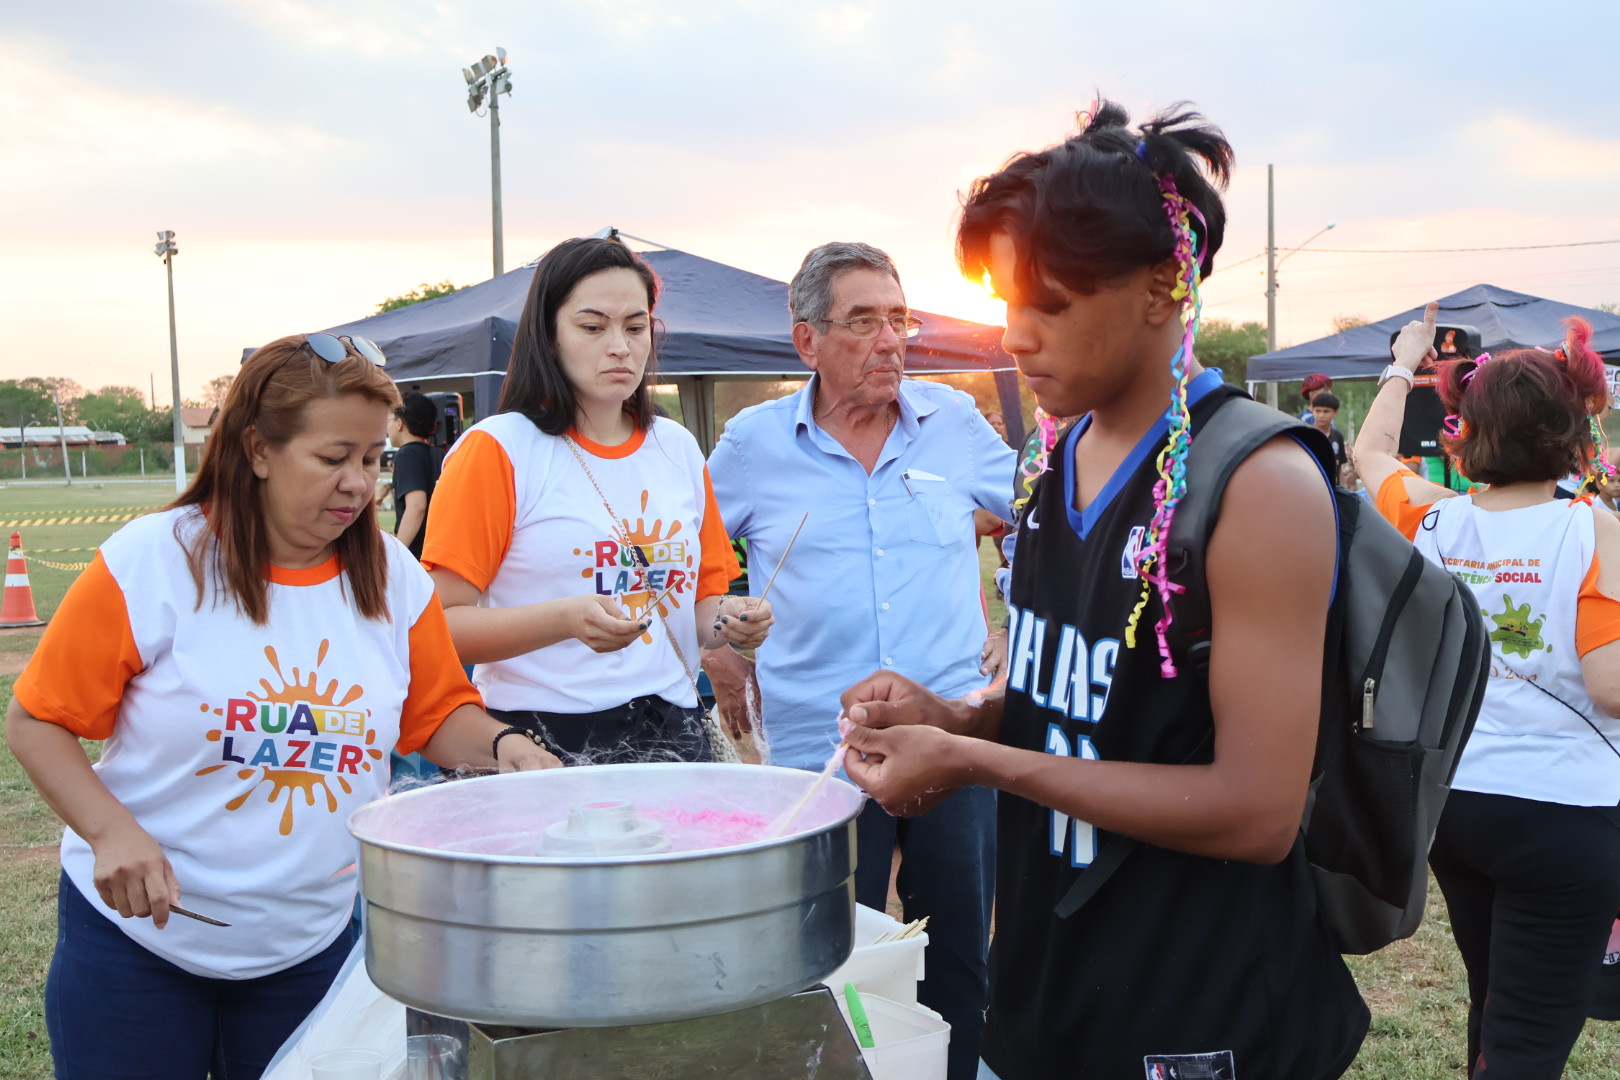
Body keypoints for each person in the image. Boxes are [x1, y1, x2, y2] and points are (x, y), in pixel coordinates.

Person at [837, 101, 1368, 1080]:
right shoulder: (1054, 453)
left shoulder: (1256, 484)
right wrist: (958, 715)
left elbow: (1257, 812)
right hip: (1046, 991)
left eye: (1051, 304)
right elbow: (1075, 707)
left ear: (1164, 287)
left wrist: (970, 761)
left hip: (1196, 1016)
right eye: (1006, 301)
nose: (1017, 337)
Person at [4, 333, 558, 1080]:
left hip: (310, 946)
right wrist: (111, 834)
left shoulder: (393, 576)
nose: (360, 485)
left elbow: (435, 716)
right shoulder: (156, 560)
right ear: (259, 449)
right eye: (333, 459)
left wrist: (503, 748)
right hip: (141, 943)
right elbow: (38, 718)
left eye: (372, 460)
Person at [704, 241, 1015, 1080]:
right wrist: (723, 632)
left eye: (899, 318)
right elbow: (695, 563)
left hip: (951, 732)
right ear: (808, 340)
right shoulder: (753, 443)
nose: (891, 341)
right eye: (864, 322)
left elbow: (1041, 517)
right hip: (821, 754)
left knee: (960, 953)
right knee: (824, 958)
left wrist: (1016, 622)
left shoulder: (950, 420)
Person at [1356, 303, 1620, 1079]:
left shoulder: (1431, 521)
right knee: (1527, 1046)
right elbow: (1609, 685)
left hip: (1457, 807)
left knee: (1495, 1007)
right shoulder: (1595, 530)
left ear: (1468, 431)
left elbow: (1369, 451)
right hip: (1566, 818)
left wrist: (1402, 362)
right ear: (1572, 433)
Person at [421, 237, 772, 765]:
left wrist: (733, 619)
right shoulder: (500, 448)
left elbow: (700, 611)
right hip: (542, 740)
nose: (620, 346)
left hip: (672, 734)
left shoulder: (676, 447)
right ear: (549, 334)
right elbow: (439, 627)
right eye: (593, 326)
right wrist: (564, 618)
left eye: (635, 327)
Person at [387, 392, 439, 559]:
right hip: (434, 548)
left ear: (399, 424)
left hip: (416, 553)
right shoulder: (434, 452)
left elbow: (417, 506)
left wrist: (397, 554)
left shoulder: (406, 455)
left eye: (389, 420)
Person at [1309, 390, 1350, 475]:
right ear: (1312, 410)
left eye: (1326, 411)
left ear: (1335, 413)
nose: (1321, 415)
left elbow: (1340, 467)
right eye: (1318, 411)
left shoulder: (1338, 437)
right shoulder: (1306, 435)